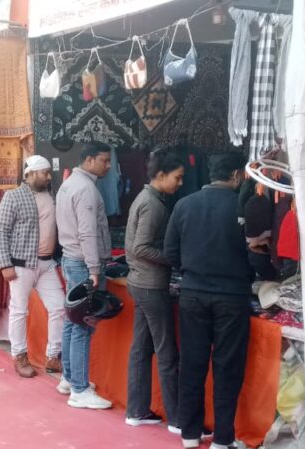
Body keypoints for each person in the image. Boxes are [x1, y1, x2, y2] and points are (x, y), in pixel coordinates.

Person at [164, 153, 254, 449]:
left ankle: (190, 433)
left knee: (192, 364)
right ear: (237, 175)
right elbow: (256, 253)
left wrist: (191, 272)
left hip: (193, 294)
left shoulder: (184, 205)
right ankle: (223, 438)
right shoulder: (241, 207)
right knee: (227, 367)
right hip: (232, 296)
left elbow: (170, 252)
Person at [124, 149, 184, 432]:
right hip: (150, 285)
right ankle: (177, 419)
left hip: (141, 282)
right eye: (177, 178)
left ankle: (136, 410)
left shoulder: (148, 198)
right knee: (166, 352)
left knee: (141, 349)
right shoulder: (152, 204)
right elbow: (141, 247)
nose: (180, 183)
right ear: (161, 175)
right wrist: (173, 258)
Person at [55, 142, 114, 409]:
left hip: (71, 258)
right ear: (89, 160)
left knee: (72, 321)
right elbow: (87, 232)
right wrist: (94, 269)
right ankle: (79, 389)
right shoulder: (86, 189)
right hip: (82, 263)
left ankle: (69, 378)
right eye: (104, 160)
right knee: (83, 324)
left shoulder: (68, 184)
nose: (108, 166)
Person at [0, 155, 64, 378]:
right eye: (45, 173)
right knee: (19, 310)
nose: (48, 176)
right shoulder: (13, 196)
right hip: (21, 265)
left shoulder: (51, 195)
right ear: (31, 174)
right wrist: (5, 264)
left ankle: (53, 356)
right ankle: (19, 356)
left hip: (47, 263)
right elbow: (2, 232)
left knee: (59, 307)